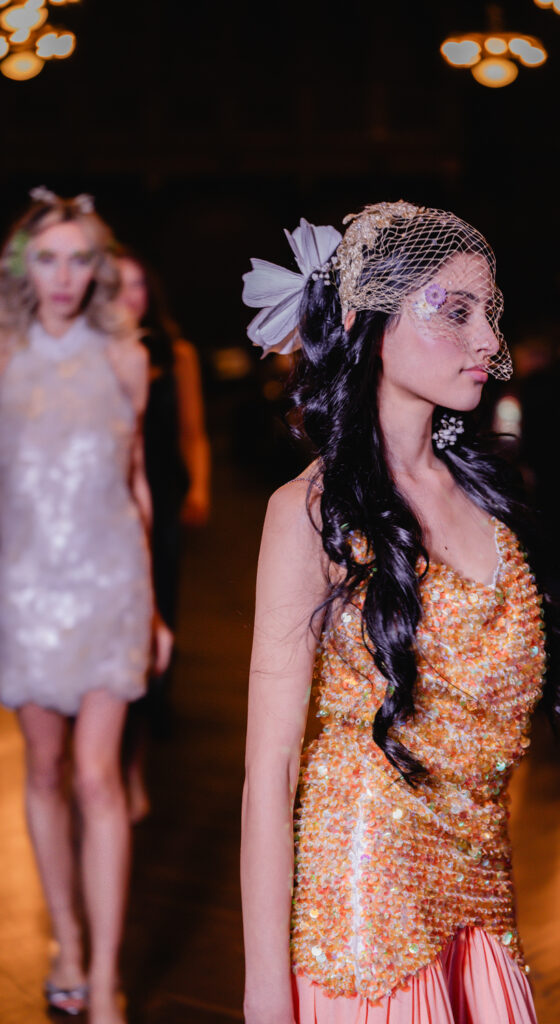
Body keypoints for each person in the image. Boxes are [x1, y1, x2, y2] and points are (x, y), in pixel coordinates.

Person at [240, 202, 560, 1024]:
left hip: (483, 896)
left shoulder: (489, 500)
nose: (487, 339)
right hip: (364, 911)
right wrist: (263, 997)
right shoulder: (311, 512)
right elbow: (269, 771)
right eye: (454, 311)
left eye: (488, 311)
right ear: (364, 321)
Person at [0, 188, 166, 1024]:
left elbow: (135, 484)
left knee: (99, 777)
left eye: (78, 259)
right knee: (44, 771)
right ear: (22, 265)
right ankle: (64, 940)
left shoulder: (125, 356)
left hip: (110, 584)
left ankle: (102, 979)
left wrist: (155, 612)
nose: (63, 276)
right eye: (47, 258)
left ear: (97, 268)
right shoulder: (1, 353)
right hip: (24, 590)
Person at [115, 248, 211, 821]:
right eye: (118, 285)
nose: (129, 296)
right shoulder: (94, 354)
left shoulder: (177, 354)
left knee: (160, 609)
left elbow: (193, 431)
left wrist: (199, 488)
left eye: (138, 286)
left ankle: (147, 728)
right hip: (111, 501)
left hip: (163, 492)